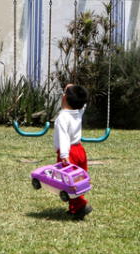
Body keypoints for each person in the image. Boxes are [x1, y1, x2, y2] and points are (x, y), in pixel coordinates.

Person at [53, 83, 92, 220]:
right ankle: (74, 208)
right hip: (80, 150)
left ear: (64, 99)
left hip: (69, 152)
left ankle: (80, 206)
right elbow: (84, 103)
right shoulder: (78, 111)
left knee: (68, 182)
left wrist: (64, 155)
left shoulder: (62, 118)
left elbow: (64, 137)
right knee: (79, 179)